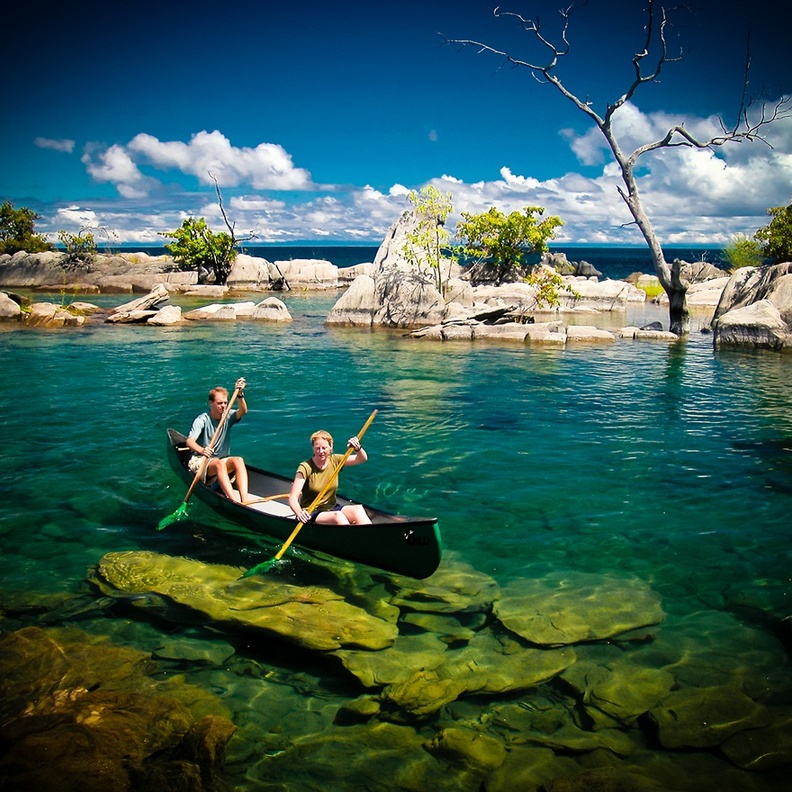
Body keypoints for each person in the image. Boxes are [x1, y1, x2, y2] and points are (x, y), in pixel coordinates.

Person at [185, 377, 251, 503]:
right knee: (218, 464)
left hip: (220, 460)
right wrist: (202, 450)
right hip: (201, 460)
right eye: (220, 403)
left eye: (225, 403)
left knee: (238, 460)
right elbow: (189, 441)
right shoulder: (202, 420)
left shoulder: (227, 416)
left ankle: (245, 501)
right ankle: (234, 503)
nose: (224, 406)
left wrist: (240, 394)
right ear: (211, 403)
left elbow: (243, 411)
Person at [288, 429, 372, 525]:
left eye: (324, 448)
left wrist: (358, 448)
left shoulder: (335, 460)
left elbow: (361, 458)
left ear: (330, 447)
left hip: (331, 507)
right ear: (313, 448)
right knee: (338, 516)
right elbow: (293, 498)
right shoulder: (305, 467)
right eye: (317, 448)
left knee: (358, 509)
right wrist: (300, 513)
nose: (321, 451)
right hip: (312, 511)